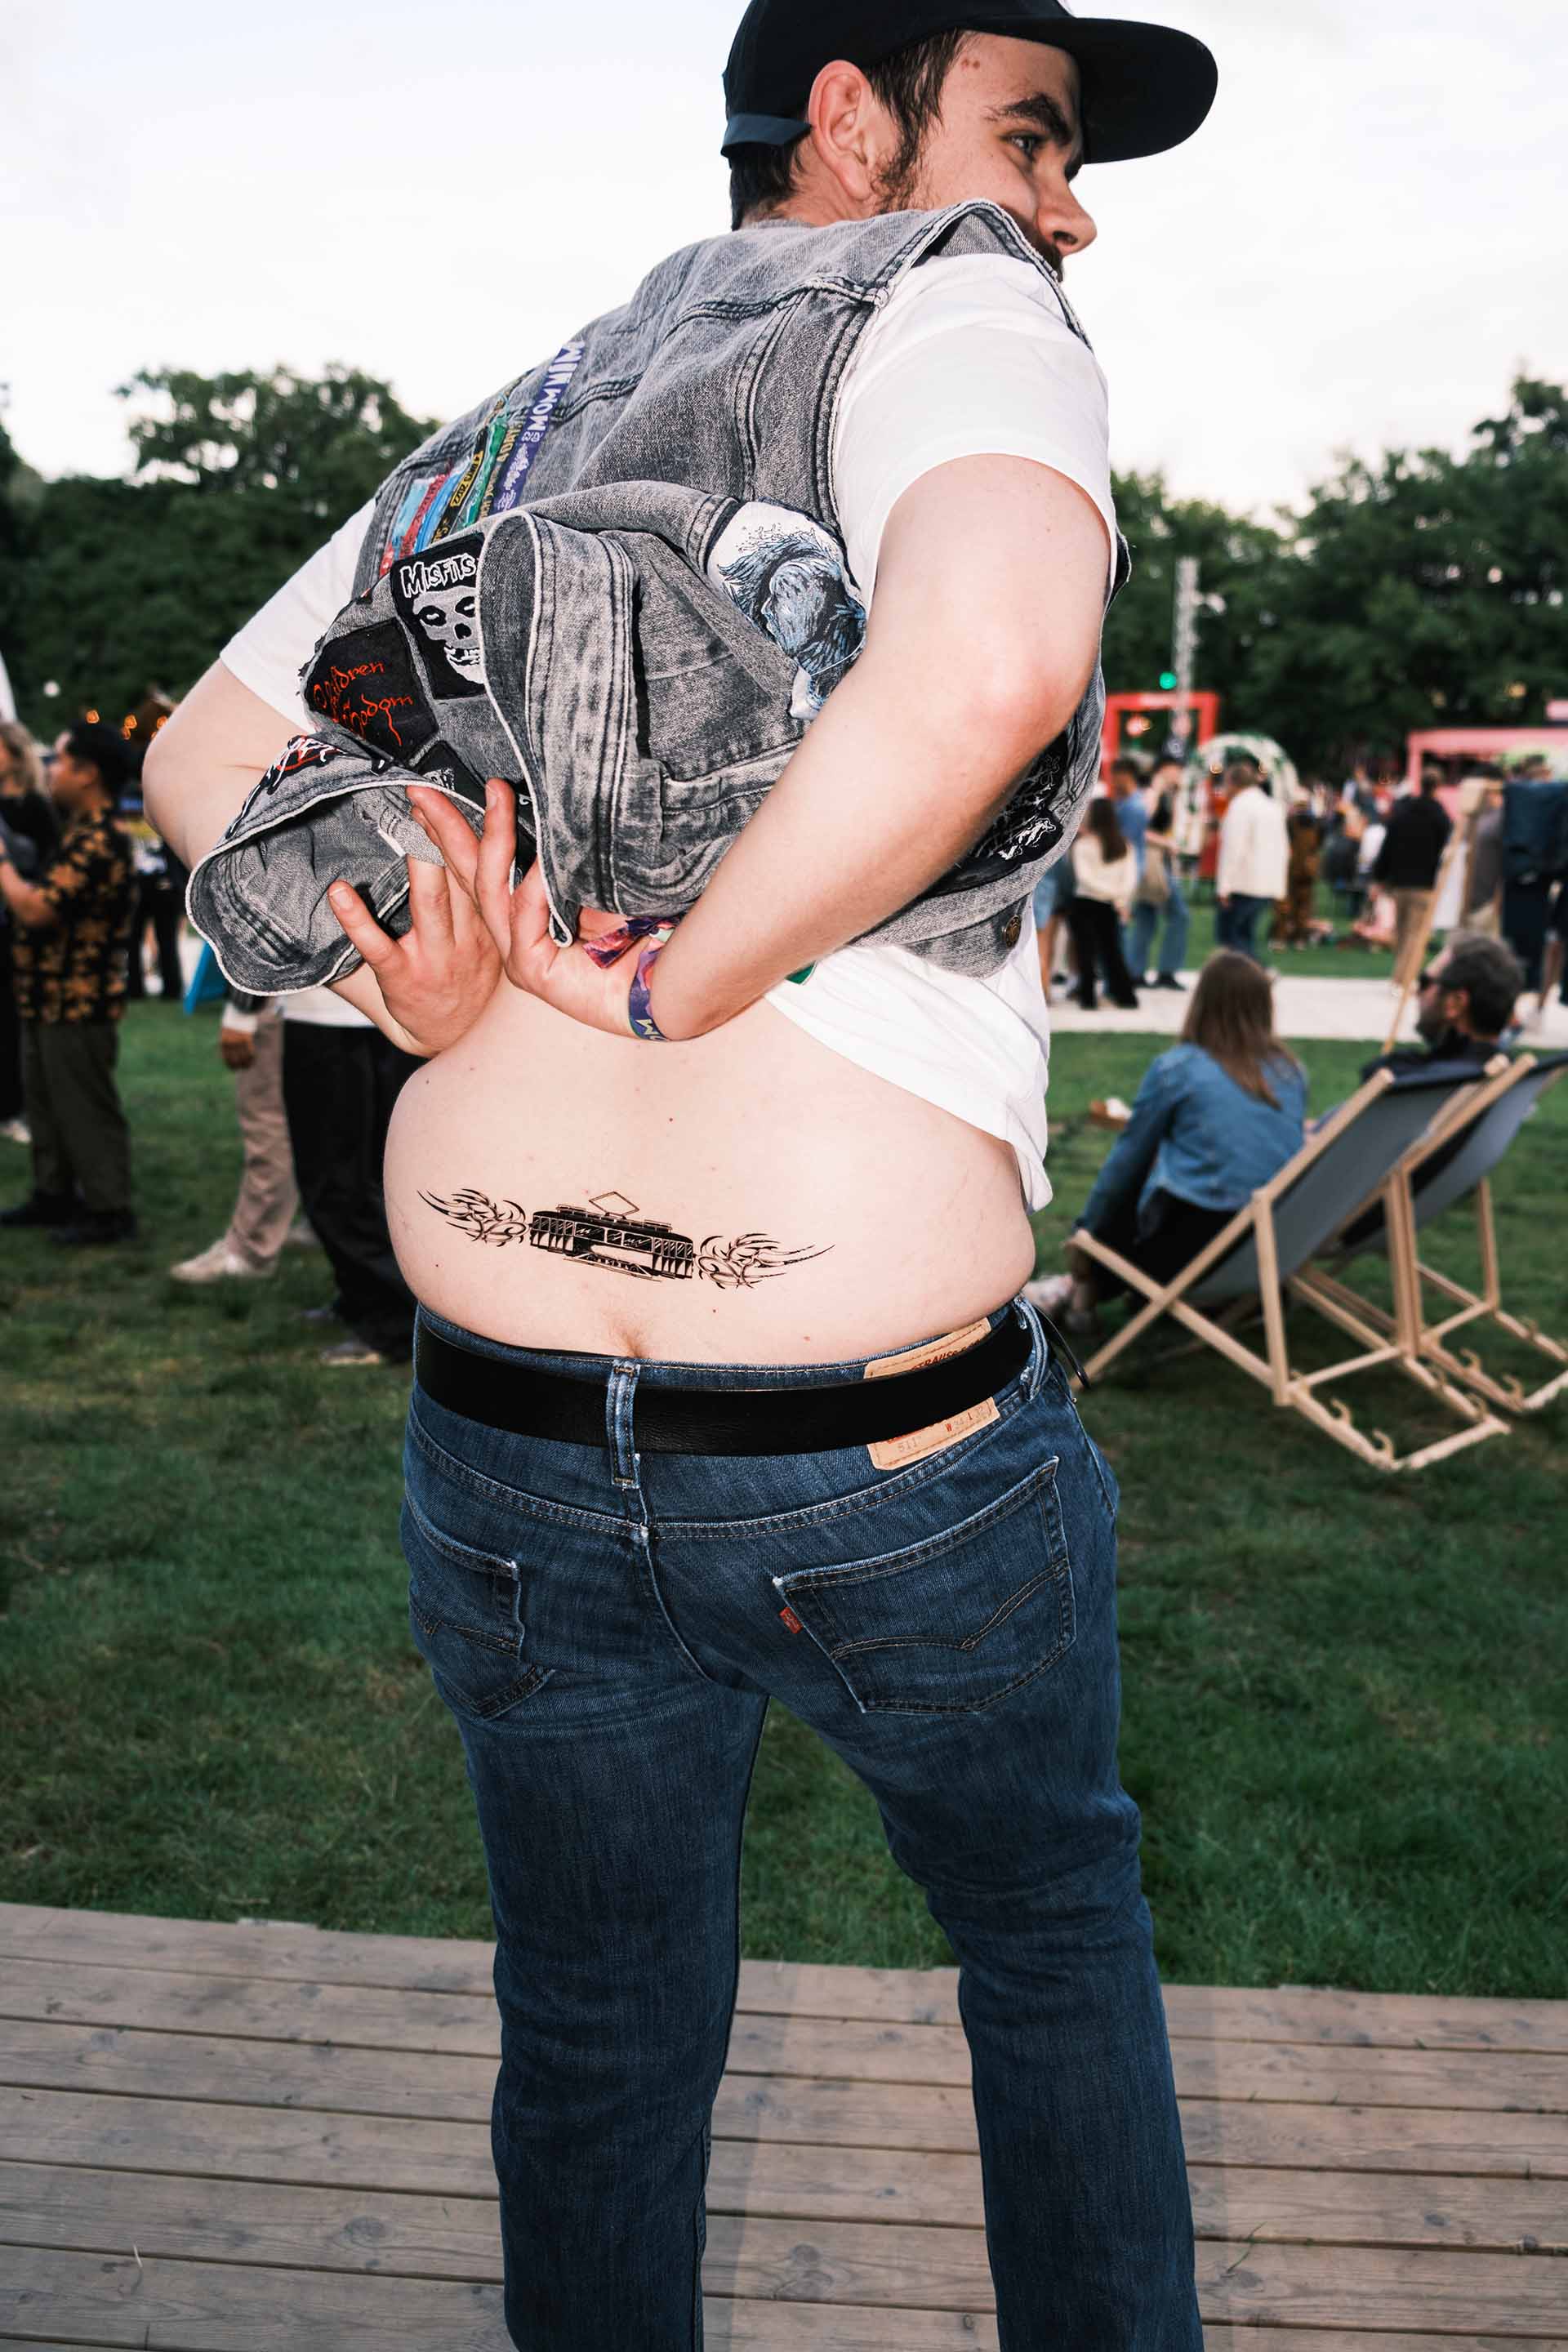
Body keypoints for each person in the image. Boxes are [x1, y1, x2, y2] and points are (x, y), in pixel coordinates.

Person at [146, 5, 1220, 2342]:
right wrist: (669, 984)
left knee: (604, 2044)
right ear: (857, 122)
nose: (1066, 204)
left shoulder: (520, 420)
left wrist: (385, 980)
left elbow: (208, 754)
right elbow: (995, 656)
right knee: (1045, 1948)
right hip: (879, 1465)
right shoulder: (953, 295)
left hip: (508, 1427)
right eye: (1030, 134)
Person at [1028, 950, 1306, 1330]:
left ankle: (1080, 1288)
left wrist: (1086, 1235)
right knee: (1170, 1173)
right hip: (1271, 1242)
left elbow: (1126, 1165)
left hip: (1187, 1252)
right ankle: (1076, 1288)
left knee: (1138, 1176)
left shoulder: (1179, 1070)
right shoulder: (1291, 1073)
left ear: (1203, 1005)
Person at [0, 723, 136, 1245]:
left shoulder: (102, 839)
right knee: (45, 1103)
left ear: (88, 773)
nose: (50, 770)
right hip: (44, 995)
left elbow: (37, 909)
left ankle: (110, 1209)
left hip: (79, 1002)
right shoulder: (77, 830)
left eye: (58, 761)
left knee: (83, 1107)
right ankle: (52, 1196)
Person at [169, 988, 304, 1282]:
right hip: (343, 1002)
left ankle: (252, 1248)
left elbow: (264, 942)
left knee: (267, 1119)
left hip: (286, 996)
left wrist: (243, 1011)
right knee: (324, 1118)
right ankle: (322, 1221)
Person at [0, 722, 61, 1146]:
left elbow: (51, 868)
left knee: (12, 1021)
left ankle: (14, 1107)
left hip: (20, 924)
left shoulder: (37, 808)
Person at [1361, 932, 1524, 1081]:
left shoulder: (1419, 1083)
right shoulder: (1512, 1075)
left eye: (1424, 983)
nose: (1417, 992)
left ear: (1456, 1003)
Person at [1064, 793, 1140, 1008]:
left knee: (1086, 953)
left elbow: (1085, 880)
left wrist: (1111, 895)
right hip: (1111, 906)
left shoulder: (1083, 846)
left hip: (1086, 903)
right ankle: (1126, 997)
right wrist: (1119, 899)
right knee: (1112, 952)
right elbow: (1130, 880)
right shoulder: (1125, 846)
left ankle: (1088, 999)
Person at [1372, 770, 1452, 973]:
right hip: (1425, 882)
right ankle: (1403, 977)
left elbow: (1387, 848)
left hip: (1400, 881)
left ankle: (1400, 973)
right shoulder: (1440, 818)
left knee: (1401, 931)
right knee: (1415, 934)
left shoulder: (1403, 814)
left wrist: (1380, 876)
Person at [1214, 755, 1289, 964]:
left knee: (1231, 936)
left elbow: (1232, 850)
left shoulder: (1240, 808)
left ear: (1233, 783)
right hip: (1267, 884)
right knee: (1245, 935)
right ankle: (1252, 976)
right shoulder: (1272, 807)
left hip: (1243, 883)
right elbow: (1282, 849)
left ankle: (1259, 972)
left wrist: (1223, 887)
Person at [1127, 751, 1190, 988]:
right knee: (1178, 915)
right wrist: (1167, 843)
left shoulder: (1166, 794)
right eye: (1178, 769)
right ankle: (1166, 971)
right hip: (1152, 861)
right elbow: (1139, 829)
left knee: (1146, 916)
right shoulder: (1152, 794)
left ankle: (1136, 971)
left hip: (1155, 861)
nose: (1181, 774)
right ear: (1166, 769)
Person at [1272, 802, 1321, 947]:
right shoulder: (1316, 827)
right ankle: (1298, 938)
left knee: (1286, 905)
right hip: (1305, 869)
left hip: (1290, 867)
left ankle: (1282, 937)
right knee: (1302, 906)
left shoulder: (1289, 824)